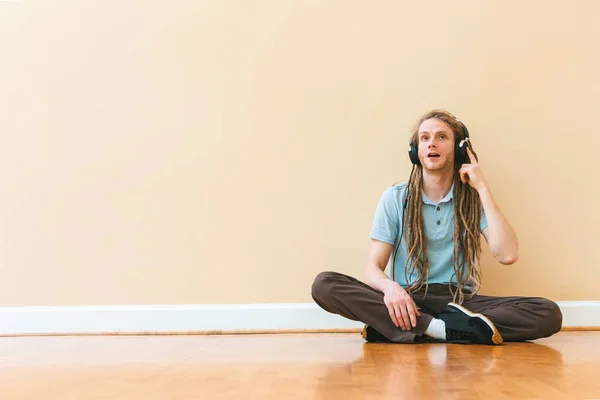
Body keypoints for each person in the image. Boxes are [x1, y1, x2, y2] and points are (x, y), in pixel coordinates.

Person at [311, 110, 563, 344]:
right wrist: (392, 291)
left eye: (441, 137)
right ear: (415, 151)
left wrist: (483, 187)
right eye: (424, 138)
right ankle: (442, 329)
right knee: (325, 284)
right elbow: (372, 269)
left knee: (548, 312)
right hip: (409, 299)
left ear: (459, 149)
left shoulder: (473, 198)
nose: (432, 143)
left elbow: (507, 255)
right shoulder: (396, 198)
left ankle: (413, 329)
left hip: (460, 304)